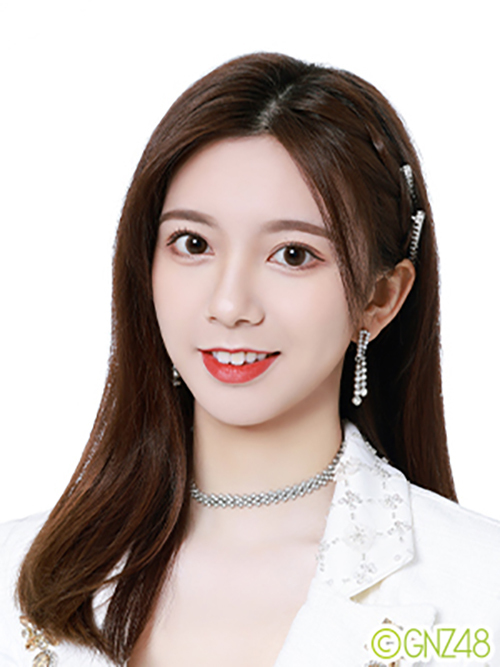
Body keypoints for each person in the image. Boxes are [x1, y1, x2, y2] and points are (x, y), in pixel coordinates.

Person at [1, 52, 499, 667]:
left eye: (293, 254)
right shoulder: (14, 574)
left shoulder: (480, 591)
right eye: (193, 244)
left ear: (379, 298)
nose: (230, 304)